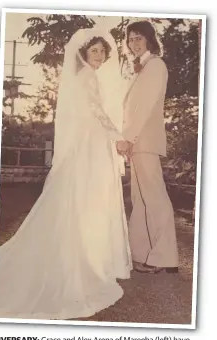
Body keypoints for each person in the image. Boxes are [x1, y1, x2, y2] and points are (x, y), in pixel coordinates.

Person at [0, 28, 132, 321]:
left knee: (86, 203)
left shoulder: (87, 78)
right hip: (88, 148)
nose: (99, 54)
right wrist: (118, 136)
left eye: (102, 50)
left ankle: (89, 256)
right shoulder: (86, 78)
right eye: (94, 50)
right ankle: (79, 263)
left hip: (91, 145)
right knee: (83, 202)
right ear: (83, 53)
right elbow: (97, 113)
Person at [117, 20, 179, 274]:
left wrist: (128, 138)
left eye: (139, 37)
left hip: (144, 141)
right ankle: (143, 254)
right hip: (138, 143)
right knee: (140, 200)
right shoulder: (140, 68)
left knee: (154, 197)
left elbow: (143, 108)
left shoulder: (155, 65)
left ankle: (166, 258)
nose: (134, 42)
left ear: (150, 40)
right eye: (130, 38)